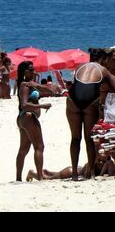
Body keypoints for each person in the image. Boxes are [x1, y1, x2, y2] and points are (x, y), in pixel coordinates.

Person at [67, 48, 115, 180]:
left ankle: (75, 175)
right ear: (102, 59)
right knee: (89, 139)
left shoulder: (80, 67)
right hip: (89, 103)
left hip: (72, 100)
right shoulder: (102, 70)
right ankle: (92, 173)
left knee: (75, 138)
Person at [15, 61, 54, 181]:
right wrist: (42, 106)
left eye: (33, 69)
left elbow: (50, 91)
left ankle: (18, 178)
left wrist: (36, 84)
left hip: (24, 118)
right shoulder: (24, 86)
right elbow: (25, 105)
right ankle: (40, 177)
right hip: (28, 116)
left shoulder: (29, 85)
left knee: (24, 149)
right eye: (31, 70)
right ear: (25, 71)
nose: (34, 71)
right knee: (39, 146)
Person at [26, 153, 115, 181]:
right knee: (48, 179)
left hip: (75, 169)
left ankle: (46, 171)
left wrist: (108, 164)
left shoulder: (108, 164)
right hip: (69, 172)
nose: (100, 163)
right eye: (99, 160)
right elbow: (89, 175)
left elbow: (110, 174)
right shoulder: (90, 165)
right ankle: (32, 174)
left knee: (51, 175)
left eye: (103, 161)